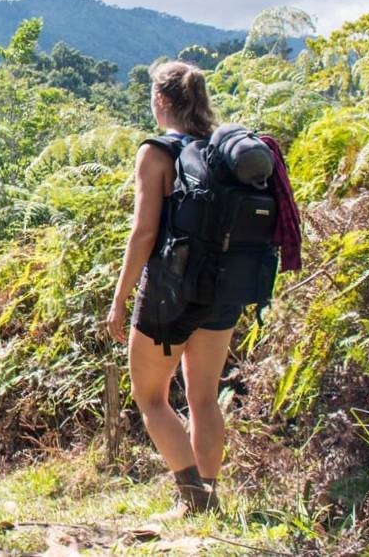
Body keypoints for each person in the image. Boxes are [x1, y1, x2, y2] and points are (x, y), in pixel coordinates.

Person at [105, 60, 233, 516]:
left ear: (161, 100)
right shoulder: (219, 152)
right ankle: (209, 494)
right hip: (221, 292)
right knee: (203, 397)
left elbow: (143, 234)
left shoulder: (157, 153)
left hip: (169, 293)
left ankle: (194, 501)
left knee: (151, 399)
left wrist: (119, 298)